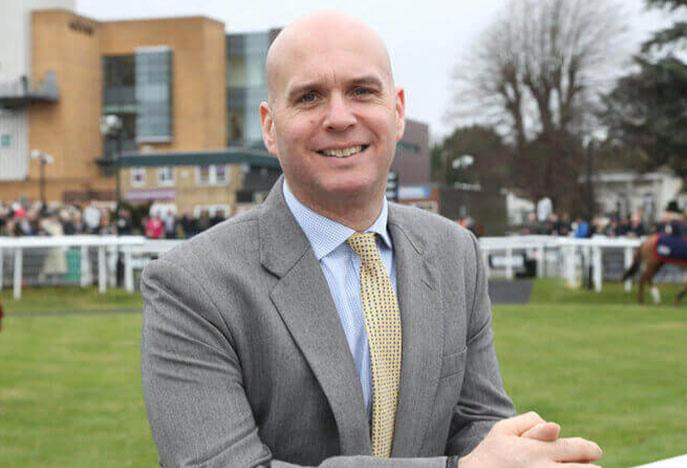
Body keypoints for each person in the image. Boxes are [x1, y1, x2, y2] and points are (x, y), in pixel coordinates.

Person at [141, 11, 602, 468]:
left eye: (362, 91)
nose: (340, 117)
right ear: (269, 127)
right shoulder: (191, 285)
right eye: (309, 97)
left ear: (397, 112)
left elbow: (477, 422)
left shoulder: (454, 252)